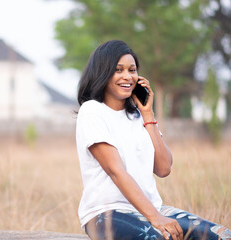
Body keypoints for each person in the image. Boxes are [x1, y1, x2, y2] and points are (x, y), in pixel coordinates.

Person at [75, 40, 231, 240]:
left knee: (223, 235)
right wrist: (155, 218)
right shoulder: (92, 111)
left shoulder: (138, 116)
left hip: (152, 209)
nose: (127, 76)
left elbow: (163, 168)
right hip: (106, 214)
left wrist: (148, 114)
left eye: (132, 70)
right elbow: (116, 170)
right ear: (102, 73)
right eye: (118, 70)